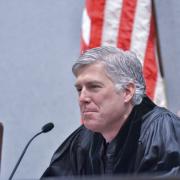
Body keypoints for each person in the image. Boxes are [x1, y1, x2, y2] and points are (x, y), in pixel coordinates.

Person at [41, 46, 180, 178]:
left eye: (94, 86)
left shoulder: (163, 130)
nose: (82, 98)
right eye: (79, 89)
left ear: (127, 91)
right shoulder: (81, 141)